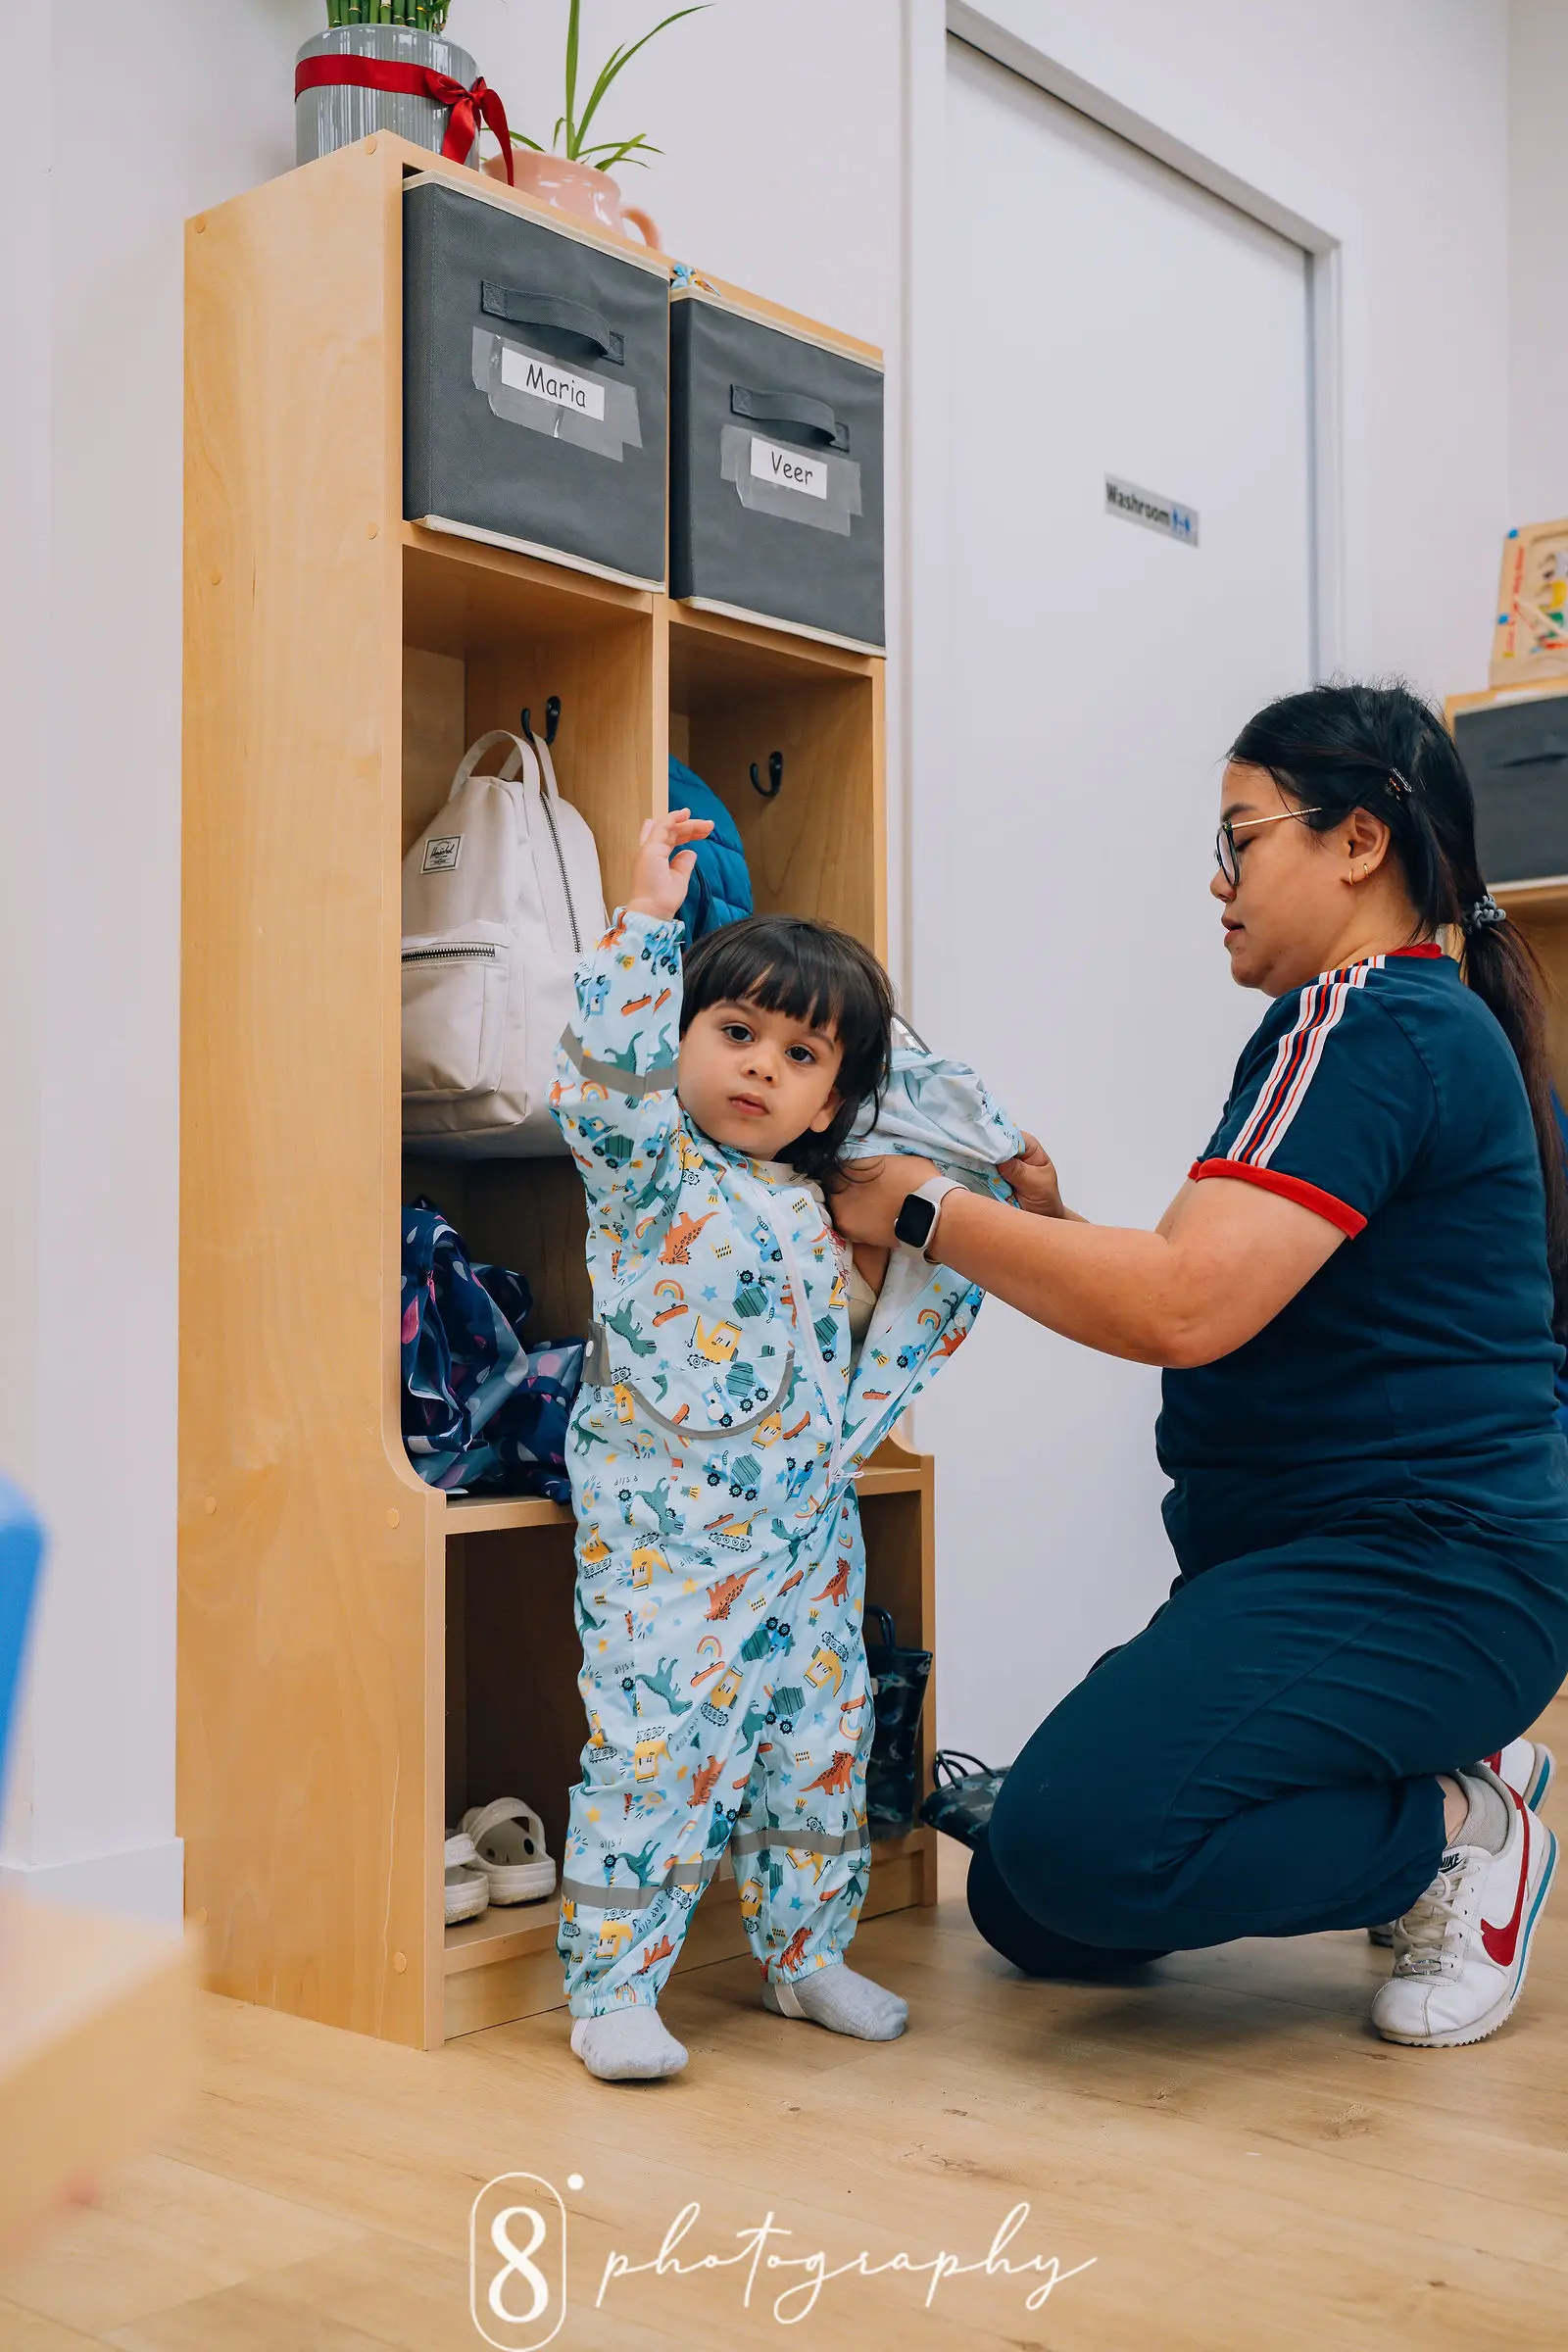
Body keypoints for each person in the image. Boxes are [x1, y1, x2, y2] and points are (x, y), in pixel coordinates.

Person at [832, 681, 1568, 2049]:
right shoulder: (1396, 1028)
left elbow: (1183, 1309)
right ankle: (1439, 1763)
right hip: (1324, 1566)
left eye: (1242, 840)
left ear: (1356, 843)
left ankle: (1459, 1830)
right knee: (1031, 1907)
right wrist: (1047, 1228)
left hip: (1415, 1572)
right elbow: (1229, 1286)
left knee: (1078, 1848)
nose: (1217, 881)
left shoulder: (1372, 1023)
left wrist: (925, 1207)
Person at [551, 810, 997, 2082]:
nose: (758, 1068)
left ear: (835, 1095)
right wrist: (645, 927)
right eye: (734, 1032)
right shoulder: (654, 1174)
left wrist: (899, 1091)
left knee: (821, 1743)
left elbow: (948, 1148)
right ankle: (613, 1992)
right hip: (669, 1542)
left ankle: (805, 1956)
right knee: (655, 1751)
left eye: (799, 1054)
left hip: (807, 1539)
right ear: (684, 1037)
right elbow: (606, 1084)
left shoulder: (824, 1201)